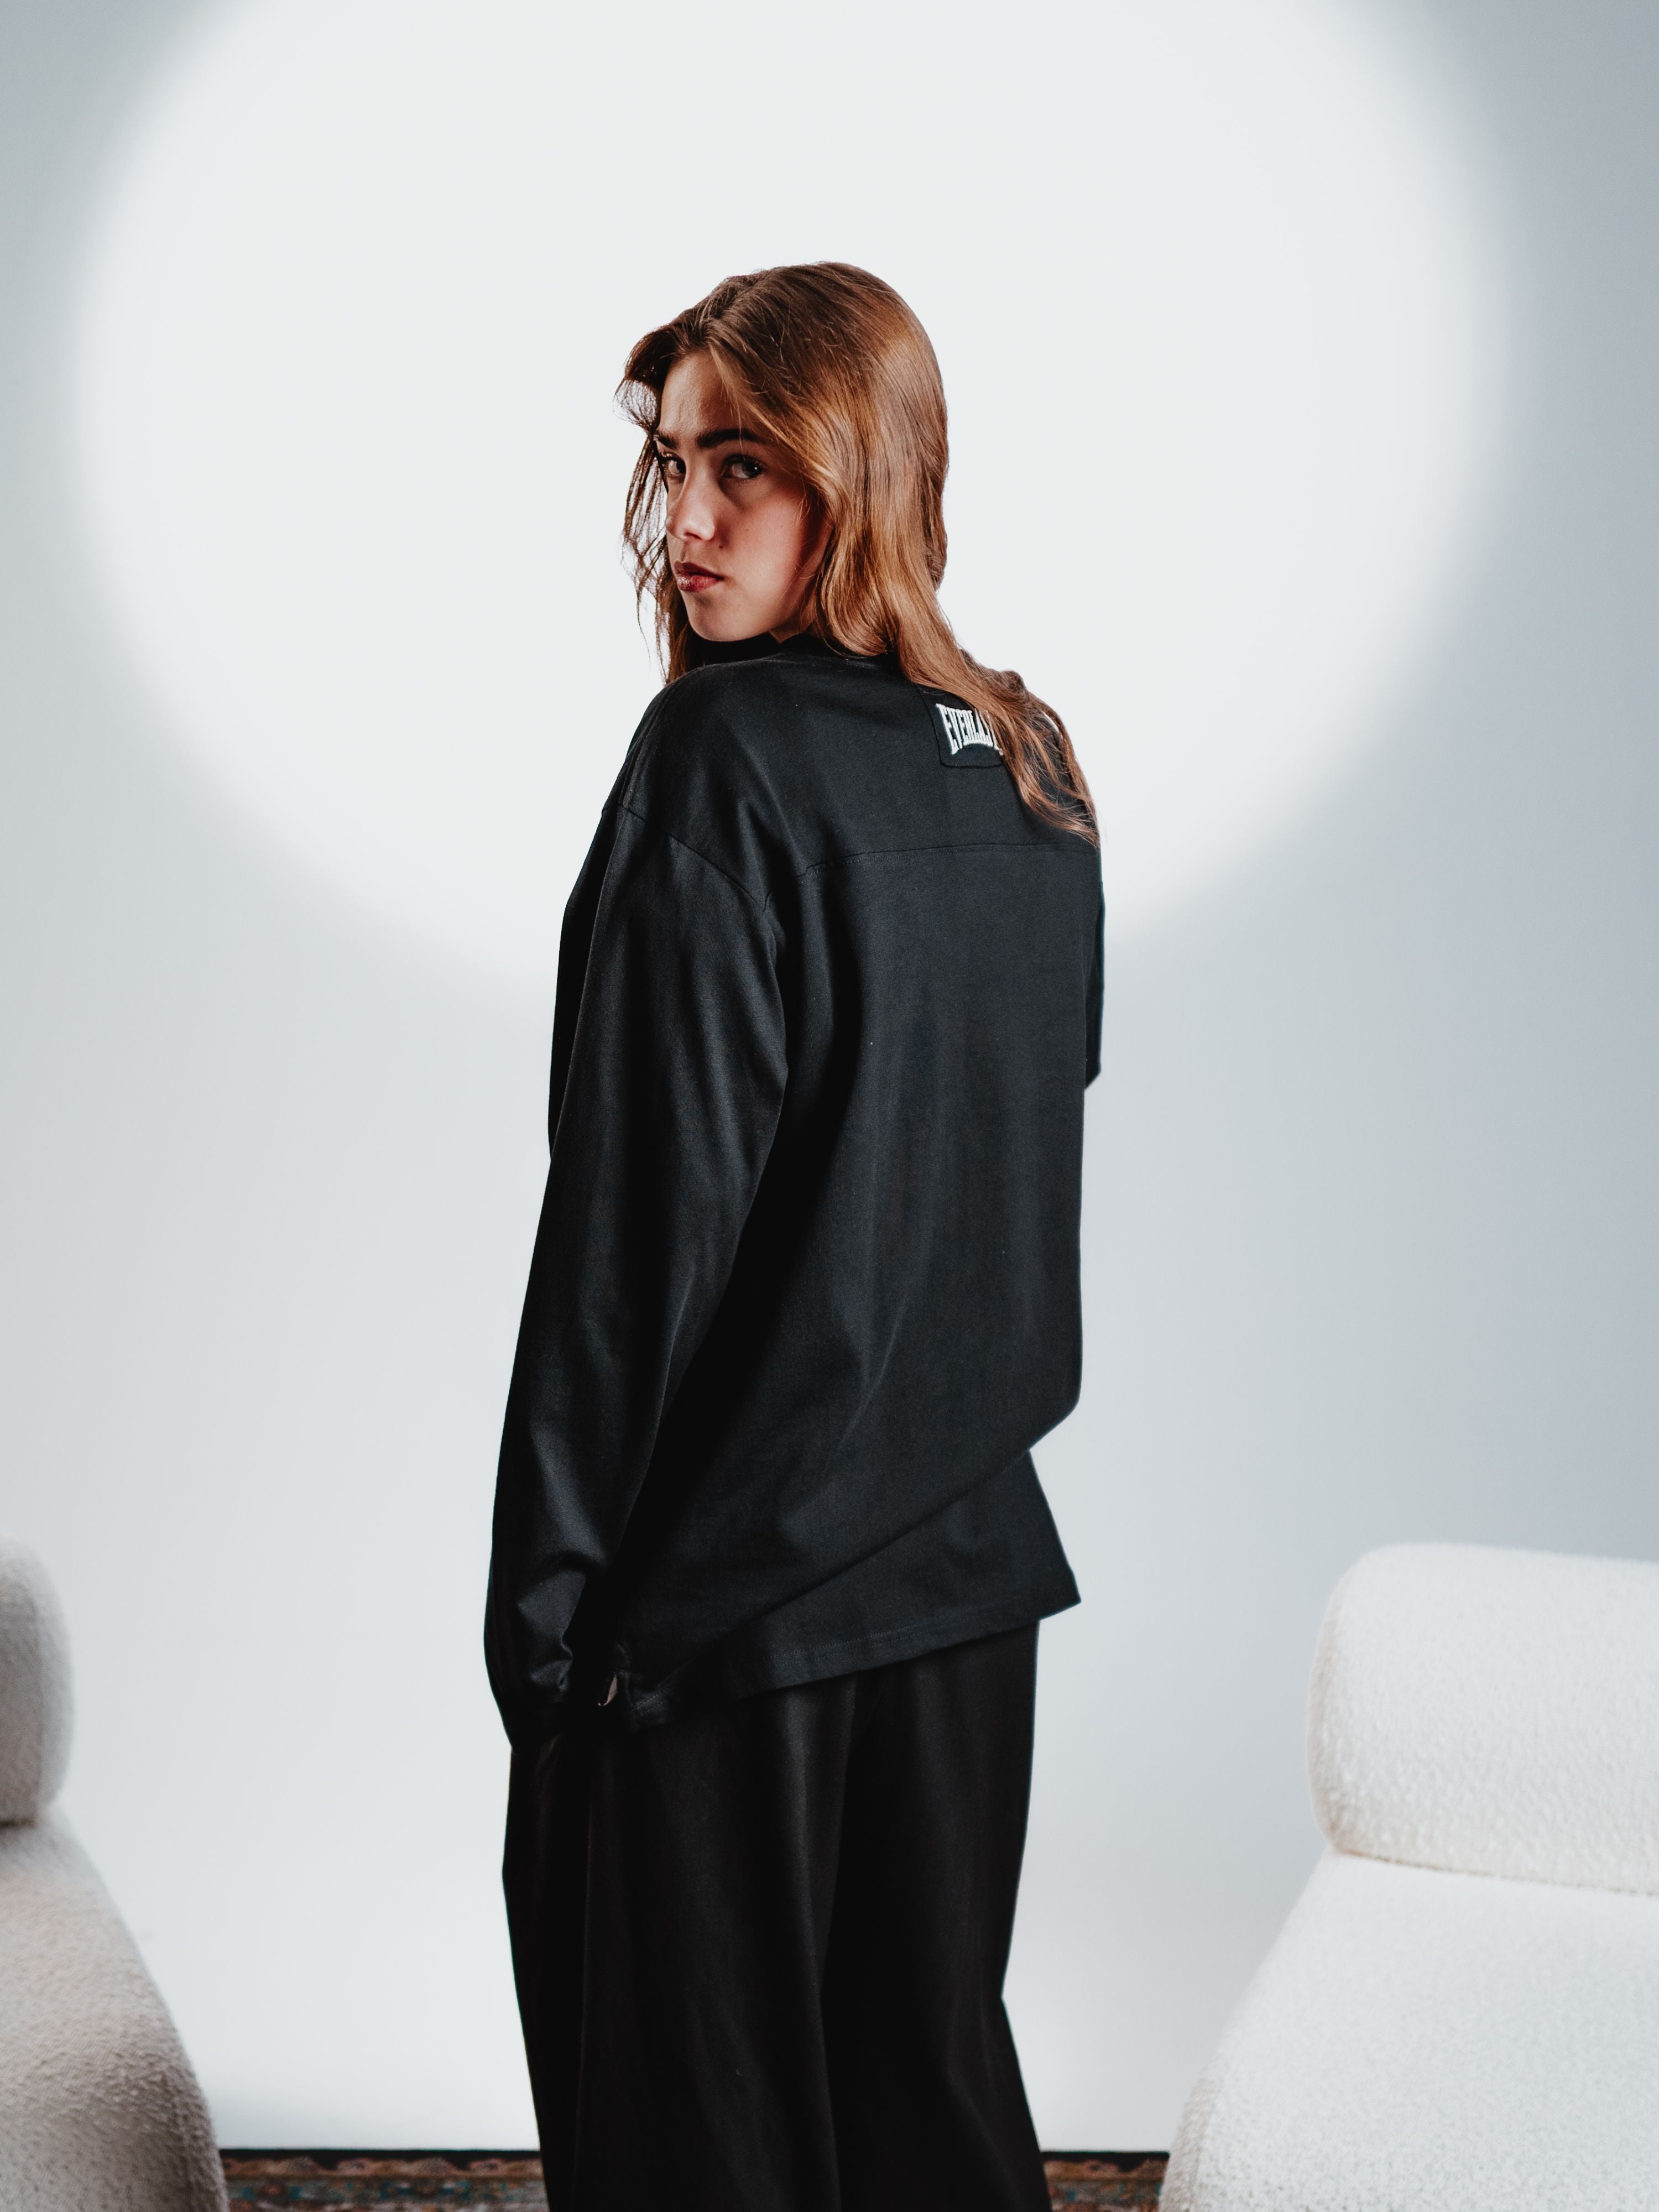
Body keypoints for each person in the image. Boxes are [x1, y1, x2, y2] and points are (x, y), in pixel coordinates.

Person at [485, 262, 1103, 2212]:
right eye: (673, 465)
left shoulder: (715, 766)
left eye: (744, 465)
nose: (688, 520)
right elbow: (1012, 1154)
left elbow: (637, 1237)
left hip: (725, 1624)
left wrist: (546, 1627)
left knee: (699, 2151)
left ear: (864, 467)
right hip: (969, 1591)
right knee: (930, 2125)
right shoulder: (1031, 761)